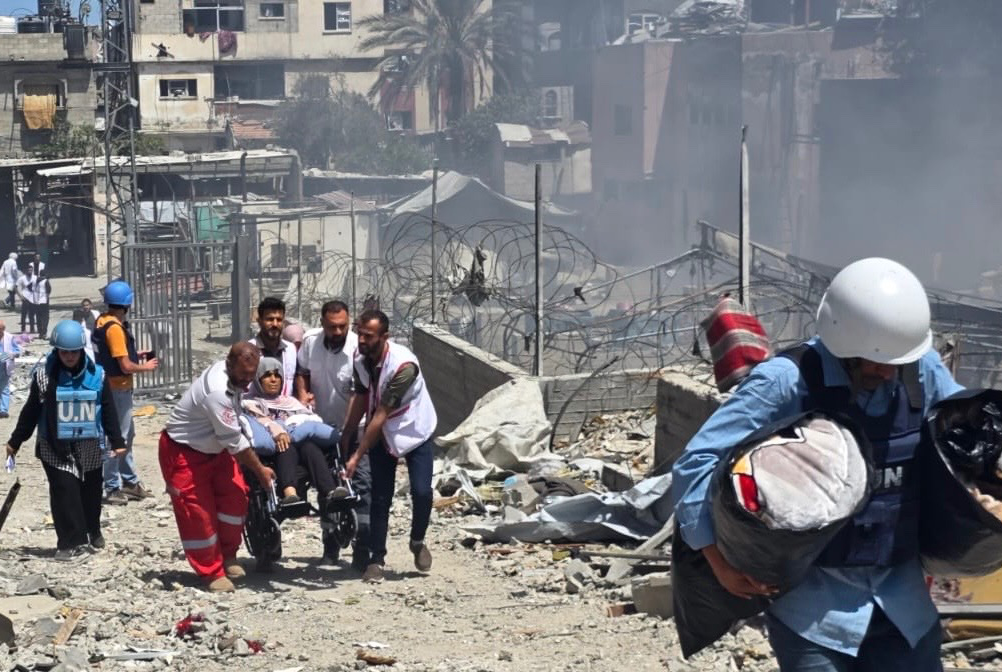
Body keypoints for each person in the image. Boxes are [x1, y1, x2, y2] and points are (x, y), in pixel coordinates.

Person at [671, 257, 964, 672]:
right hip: (813, 616)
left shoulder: (920, 370)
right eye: (874, 360)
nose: (887, 371)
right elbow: (696, 462)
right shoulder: (786, 381)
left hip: (905, 606)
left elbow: (964, 435)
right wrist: (719, 561)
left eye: (896, 361)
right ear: (844, 343)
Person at [159, 342, 275, 592]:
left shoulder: (235, 380)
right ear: (229, 364)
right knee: (197, 513)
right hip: (185, 452)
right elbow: (235, 441)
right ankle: (210, 572)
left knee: (235, 497)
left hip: (216, 449)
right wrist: (260, 470)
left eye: (251, 375)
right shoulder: (217, 391)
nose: (247, 381)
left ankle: (227, 555)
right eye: (243, 374)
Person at [5, 321, 125, 559]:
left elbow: (108, 409)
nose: (69, 356)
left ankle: (93, 530)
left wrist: (117, 440)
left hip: (89, 444)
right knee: (64, 491)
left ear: (81, 350)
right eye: (64, 352)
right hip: (54, 446)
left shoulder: (98, 376)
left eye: (73, 351)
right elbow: (30, 412)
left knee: (91, 491)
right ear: (56, 351)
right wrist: (15, 441)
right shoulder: (43, 377)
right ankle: (71, 543)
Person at [342, 309, 437, 583]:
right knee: (380, 496)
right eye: (359, 333)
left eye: (368, 336)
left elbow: (382, 411)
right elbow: (361, 396)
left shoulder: (404, 366)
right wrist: (347, 433)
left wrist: (358, 453)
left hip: (414, 429)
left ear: (385, 337)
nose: (361, 340)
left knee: (421, 491)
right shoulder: (360, 360)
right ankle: (376, 558)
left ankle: (417, 540)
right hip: (383, 432)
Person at [295, 300, 372, 569]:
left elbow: (357, 394)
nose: (338, 332)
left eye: (342, 326)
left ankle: (363, 549)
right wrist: (303, 394)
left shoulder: (357, 349)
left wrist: (348, 432)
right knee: (326, 486)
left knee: (361, 484)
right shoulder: (310, 343)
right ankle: (330, 545)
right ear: (322, 324)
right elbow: (302, 372)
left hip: (355, 427)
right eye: (332, 327)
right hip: (321, 427)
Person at [92, 280, 159, 505]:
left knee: (126, 436)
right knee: (116, 438)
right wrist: (145, 367)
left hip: (112, 388)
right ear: (126, 304)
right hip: (117, 390)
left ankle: (130, 482)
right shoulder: (115, 329)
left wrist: (135, 354)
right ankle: (111, 487)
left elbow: (114, 356)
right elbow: (125, 367)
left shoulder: (103, 321)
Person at [242, 357, 339, 506]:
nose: (273, 380)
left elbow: (309, 420)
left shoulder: (291, 402)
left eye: (277, 375)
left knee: (310, 447)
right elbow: (259, 424)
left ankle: (330, 492)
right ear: (258, 380)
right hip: (276, 451)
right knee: (286, 446)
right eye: (267, 375)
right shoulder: (251, 404)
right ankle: (290, 494)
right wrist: (279, 431)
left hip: (302, 446)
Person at [249, 297, 297, 397]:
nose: (275, 324)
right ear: (259, 321)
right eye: (270, 319)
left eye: (279, 320)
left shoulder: (290, 349)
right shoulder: (249, 350)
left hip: (285, 409)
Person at [0, 320, 19, 418]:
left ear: (3, 330)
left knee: (4, 388)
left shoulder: (9, 337)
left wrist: (9, 355)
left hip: (4, 367)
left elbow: (17, 351)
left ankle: (3, 410)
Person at [16, 263, 35, 335]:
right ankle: (23, 329)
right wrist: (20, 296)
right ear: (26, 271)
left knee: (32, 314)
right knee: (23, 315)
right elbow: (15, 287)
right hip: (25, 299)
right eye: (29, 270)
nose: (30, 271)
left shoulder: (35, 277)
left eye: (31, 270)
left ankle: (32, 329)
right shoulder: (22, 278)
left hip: (33, 298)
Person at [32, 269, 51, 338]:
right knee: (45, 317)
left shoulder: (35, 281)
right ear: (45, 274)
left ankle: (40, 332)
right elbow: (48, 291)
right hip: (44, 301)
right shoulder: (46, 281)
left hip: (37, 302)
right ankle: (44, 332)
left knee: (38, 318)